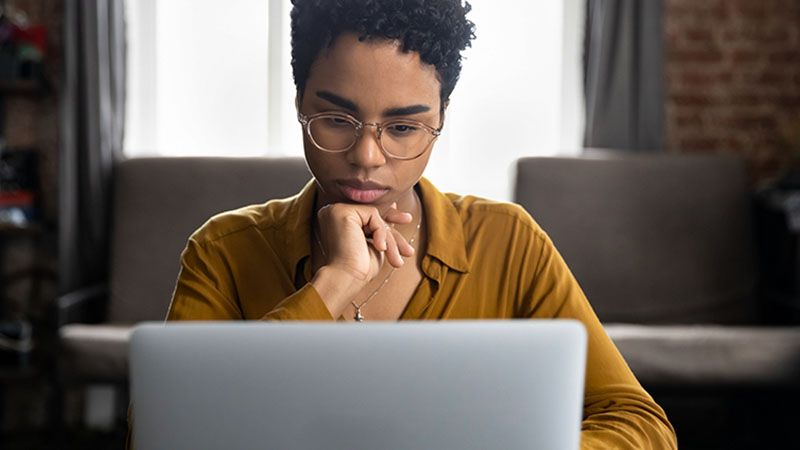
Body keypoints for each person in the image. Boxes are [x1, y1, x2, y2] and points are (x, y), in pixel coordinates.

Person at [128, 1, 677, 448]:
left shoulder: (509, 242)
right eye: (337, 119)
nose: (367, 155)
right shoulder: (222, 250)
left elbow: (640, 423)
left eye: (405, 127)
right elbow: (163, 436)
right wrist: (333, 283)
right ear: (299, 102)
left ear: (441, 119)